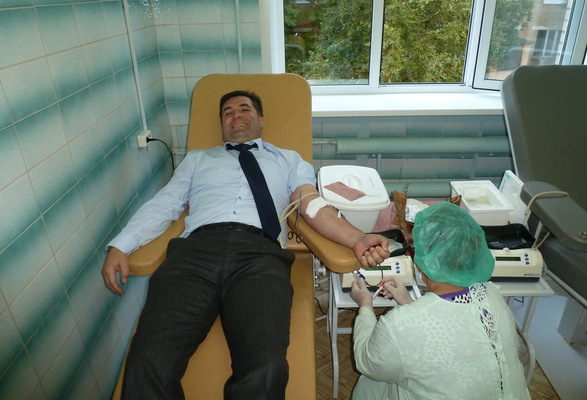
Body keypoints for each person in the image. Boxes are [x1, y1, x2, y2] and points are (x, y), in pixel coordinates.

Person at [101, 90, 390, 400]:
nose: (235, 114)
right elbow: (167, 203)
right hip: (194, 254)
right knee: (147, 363)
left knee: (265, 370)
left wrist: (356, 238)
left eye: (244, 109)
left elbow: (310, 203)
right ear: (222, 124)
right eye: (227, 112)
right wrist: (122, 245)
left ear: (261, 120)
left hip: (259, 255)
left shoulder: (289, 159)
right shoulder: (198, 158)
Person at [349, 201, 531, 400]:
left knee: (370, 385)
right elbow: (447, 329)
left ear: (421, 262)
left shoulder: (398, 325)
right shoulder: (492, 294)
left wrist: (365, 307)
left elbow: (368, 363)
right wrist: (408, 302)